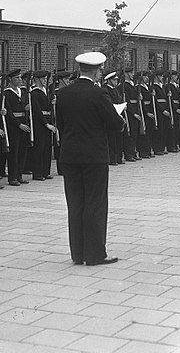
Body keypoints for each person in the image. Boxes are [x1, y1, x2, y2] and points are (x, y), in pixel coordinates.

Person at [56, 51, 125, 266]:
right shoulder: (99, 94)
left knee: (75, 204)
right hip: (94, 156)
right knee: (95, 204)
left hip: (69, 155)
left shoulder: (64, 93)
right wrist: (119, 116)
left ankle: (78, 253)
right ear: (95, 71)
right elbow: (115, 124)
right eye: (100, 70)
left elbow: (61, 124)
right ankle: (95, 254)